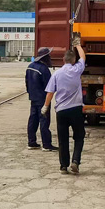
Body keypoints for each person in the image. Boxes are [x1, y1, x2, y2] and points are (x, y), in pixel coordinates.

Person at [41, 36, 86, 174]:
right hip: (76, 110)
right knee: (79, 136)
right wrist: (77, 45)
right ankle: (75, 161)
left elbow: (50, 93)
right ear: (74, 61)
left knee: (63, 139)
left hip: (61, 111)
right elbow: (83, 57)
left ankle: (63, 166)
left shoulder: (57, 74)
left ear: (63, 60)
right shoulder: (77, 69)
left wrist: (45, 107)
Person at [25, 47, 57, 151]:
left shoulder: (30, 66)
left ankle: (31, 142)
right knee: (44, 121)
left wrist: (30, 93)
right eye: (49, 56)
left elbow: (27, 82)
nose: (50, 58)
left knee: (33, 120)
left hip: (33, 98)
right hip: (43, 99)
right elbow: (49, 87)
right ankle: (46, 144)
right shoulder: (44, 69)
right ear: (45, 57)